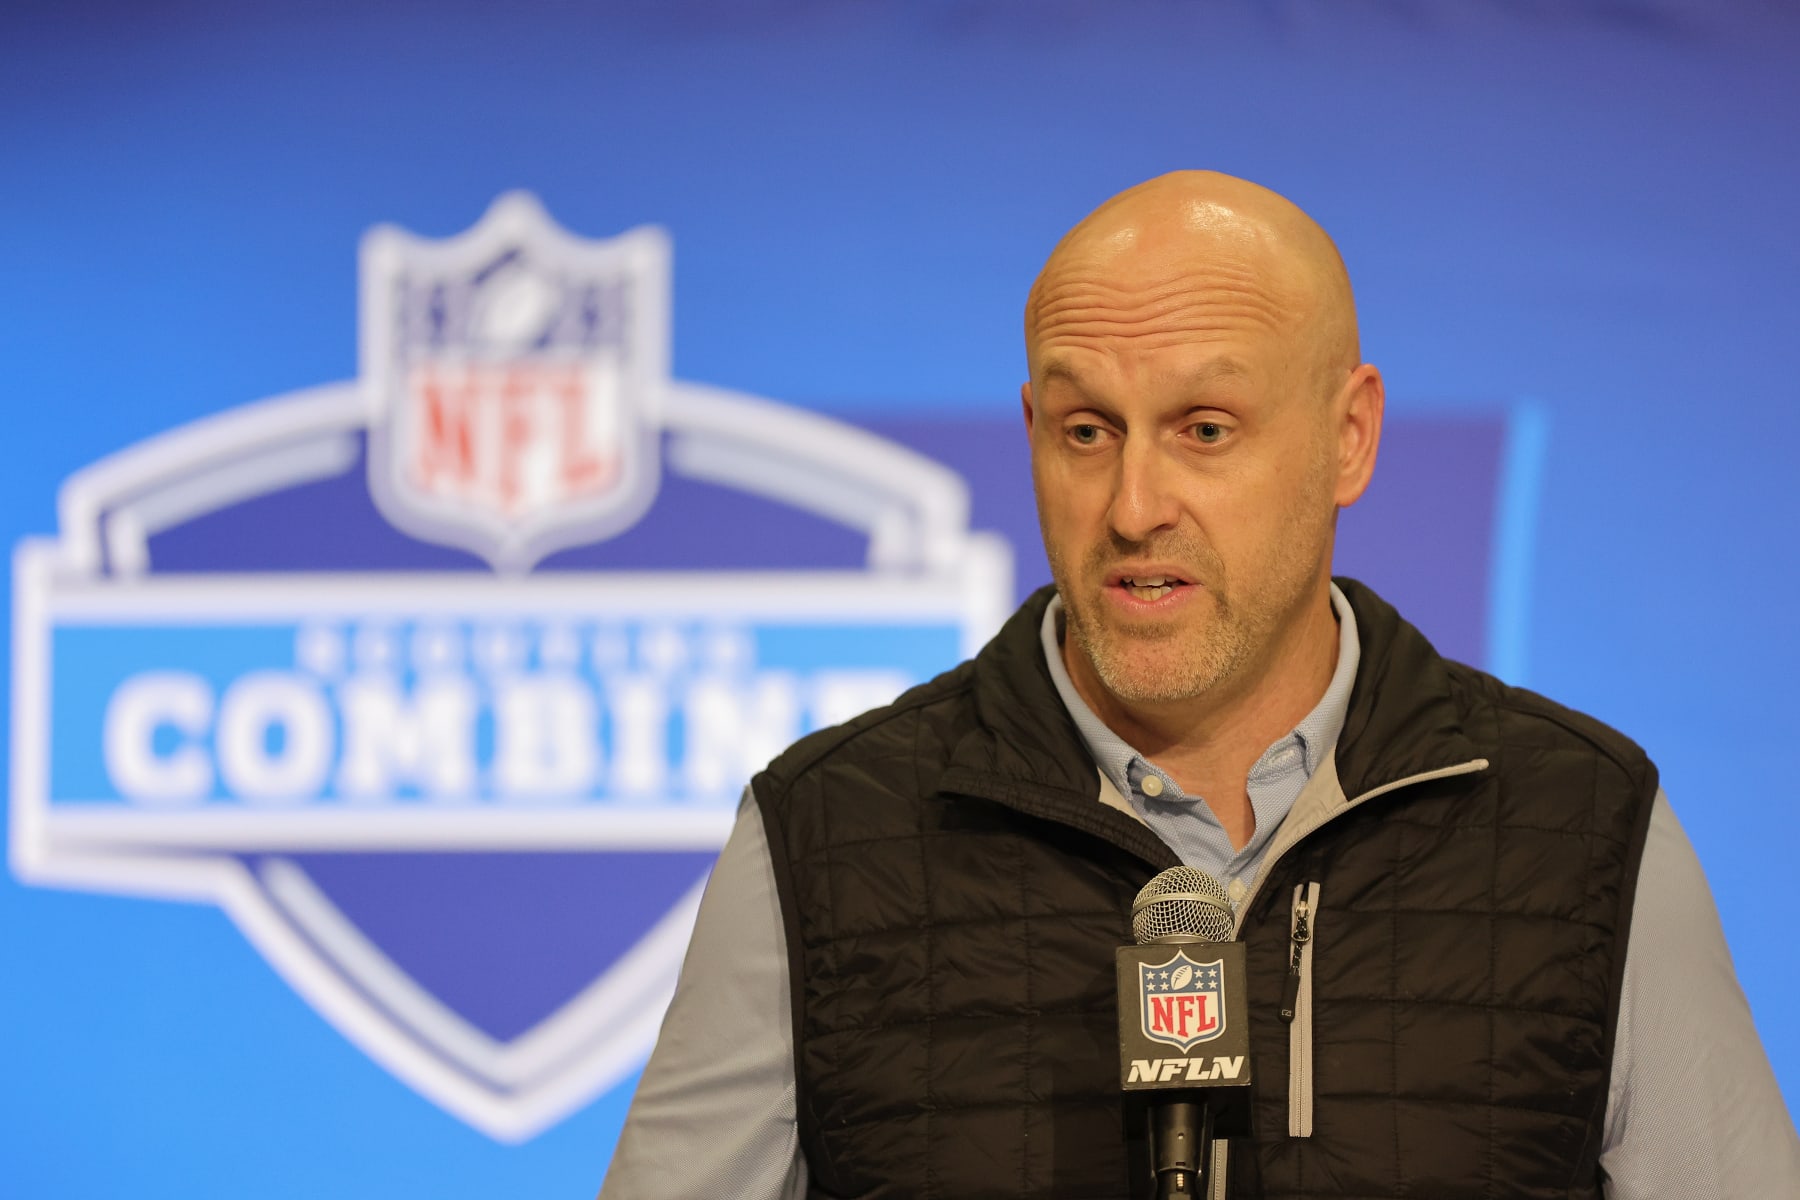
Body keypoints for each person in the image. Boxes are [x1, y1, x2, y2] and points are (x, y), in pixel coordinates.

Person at [598, 172, 1798, 1198]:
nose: (1133, 508)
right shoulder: (821, 834)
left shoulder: (1581, 826)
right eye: (1086, 431)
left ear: (1350, 437)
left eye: (1205, 429)